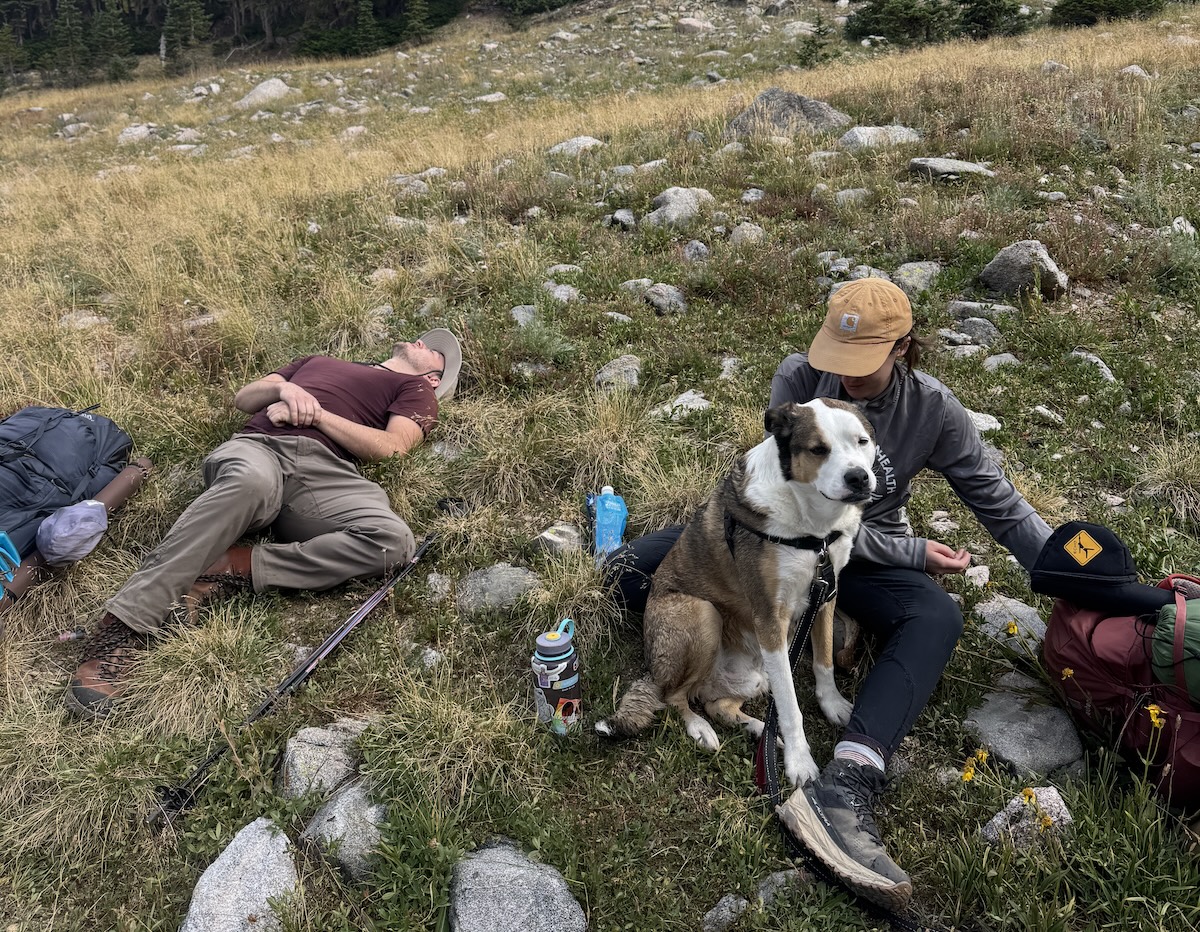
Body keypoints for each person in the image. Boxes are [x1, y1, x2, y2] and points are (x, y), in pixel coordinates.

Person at [604, 279, 1052, 908]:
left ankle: (853, 771)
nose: (846, 374)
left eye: (864, 362)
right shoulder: (797, 379)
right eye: (837, 360)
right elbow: (777, 492)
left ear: (902, 348)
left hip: (864, 552)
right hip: (777, 541)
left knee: (937, 616)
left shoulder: (931, 409)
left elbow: (999, 503)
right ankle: (718, 653)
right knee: (627, 570)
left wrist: (1067, 571)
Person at [66, 329, 463, 720]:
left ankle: (230, 567)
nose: (423, 342)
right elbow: (244, 398)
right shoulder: (317, 362)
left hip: (328, 472)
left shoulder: (416, 390)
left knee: (393, 541)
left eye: (435, 352)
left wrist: (318, 415)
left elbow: (393, 448)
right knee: (249, 483)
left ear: (433, 378)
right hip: (259, 449)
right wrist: (285, 390)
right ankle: (122, 626)